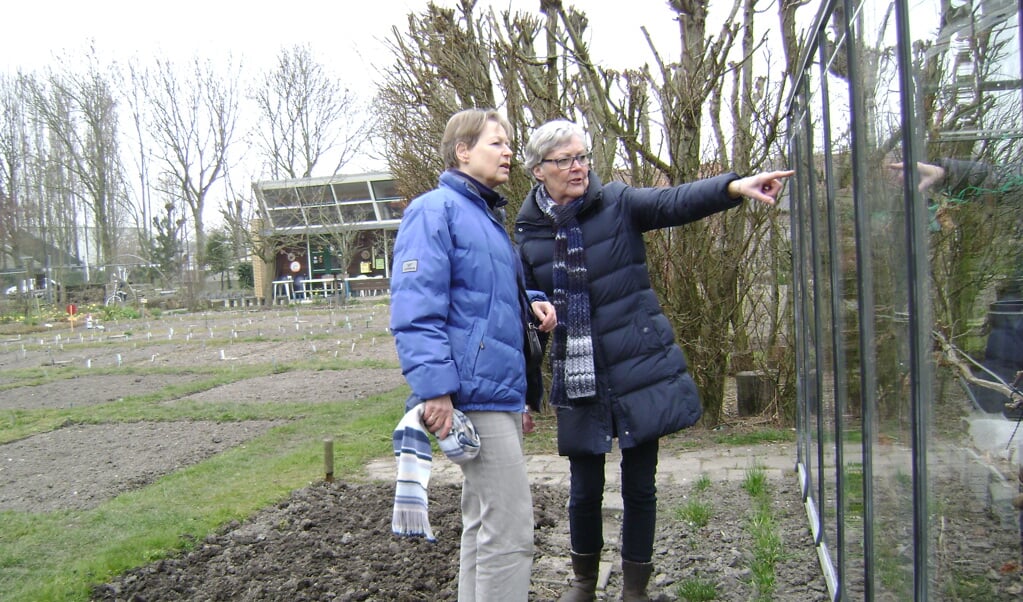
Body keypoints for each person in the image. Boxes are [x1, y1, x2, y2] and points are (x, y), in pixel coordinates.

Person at [514, 119, 793, 601]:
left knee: (640, 485)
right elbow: (522, 287)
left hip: (638, 362)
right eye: (566, 160)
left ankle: (635, 589)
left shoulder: (617, 203)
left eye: (583, 157)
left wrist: (733, 186)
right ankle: (583, 583)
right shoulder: (528, 232)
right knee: (583, 489)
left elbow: (675, 202)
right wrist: (535, 302)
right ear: (539, 170)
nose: (578, 167)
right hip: (579, 374)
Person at [389, 108, 556, 601]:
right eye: (496, 143)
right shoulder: (433, 210)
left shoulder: (484, 217)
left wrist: (530, 304)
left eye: (508, 144)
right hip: (471, 394)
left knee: (483, 521)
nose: (508, 153)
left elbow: (481, 301)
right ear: (463, 151)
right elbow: (416, 307)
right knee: (509, 529)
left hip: (496, 391)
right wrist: (434, 390)